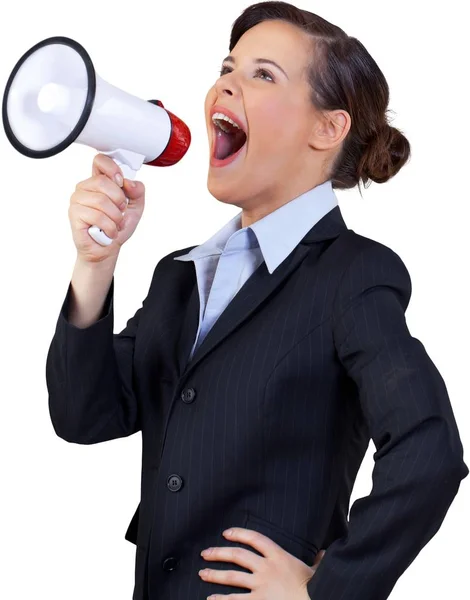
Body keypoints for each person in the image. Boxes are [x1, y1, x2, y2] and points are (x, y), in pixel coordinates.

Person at [45, 2, 468, 599]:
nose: (225, 82)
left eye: (263, 74)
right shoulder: (180, 276)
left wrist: (324, 591)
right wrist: (95, 265)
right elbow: (84, 416)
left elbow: (430, 455)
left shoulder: (355, 275)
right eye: (228, 67)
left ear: (328, 128)